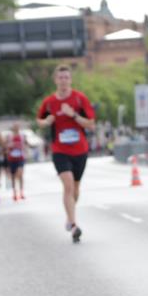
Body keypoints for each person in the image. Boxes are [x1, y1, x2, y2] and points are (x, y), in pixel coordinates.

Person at [37, 64, 96, 242]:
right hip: (59, 149)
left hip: (80, 149)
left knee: (76, 188)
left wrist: (73, 115)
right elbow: (39, 120)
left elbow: (91, 124)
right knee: (68, 184)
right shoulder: (49, 102)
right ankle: (73, 223)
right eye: (60, 78)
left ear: (70, 80)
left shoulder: (80, 99)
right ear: (55, 80)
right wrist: (46, 121)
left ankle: (70, 216)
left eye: (66, 78)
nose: (63, 81)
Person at [6, 122, 27, 201]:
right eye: (15, 127)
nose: (16, 128)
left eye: (17, 127)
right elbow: (6, 146)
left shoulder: (22, 136)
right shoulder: (9, 136)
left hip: (20, 157)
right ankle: (15, 193)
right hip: (11, 158)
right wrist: (9, 146)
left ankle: (21, 192)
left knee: (20, 174)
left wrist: (25, 148)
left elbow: (25, 144)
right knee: (13, 176)